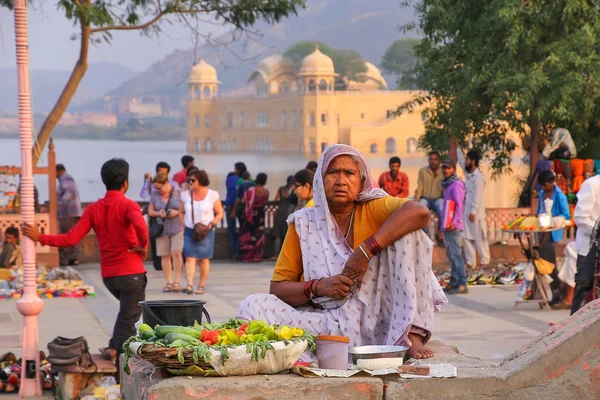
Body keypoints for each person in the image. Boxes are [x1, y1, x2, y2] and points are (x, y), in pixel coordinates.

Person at [237, 145, 447, 361]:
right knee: (252, 305)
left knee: (409, 233)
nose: (340, 180)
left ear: (361, 181)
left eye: (349, 173)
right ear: (320, 179)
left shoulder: (372, 208)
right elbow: (278, 289)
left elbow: (419, 212)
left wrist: (366, 251)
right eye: (332, 172)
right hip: (326, 322)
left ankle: (409, 334)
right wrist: (318, 287)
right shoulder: (303, 223)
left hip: (380, 318)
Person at [21, 158, 148, 379]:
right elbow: (140, 224)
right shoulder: (128, 205)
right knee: (128, 323)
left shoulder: (94, 208)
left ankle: (111, 347)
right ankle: (121, 377)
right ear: (125, 184)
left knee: (126, 315)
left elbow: (70, 239)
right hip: (131, 275)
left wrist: (39, 236)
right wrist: (143, 244)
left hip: (110, 278)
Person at [180, 169, 224, 295]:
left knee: (204, 259)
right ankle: (189, 284)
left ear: (200, 180)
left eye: (193, 180)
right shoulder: (185, 194)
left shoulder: (212, 194)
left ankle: (201, 285)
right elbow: (181, 212)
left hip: (206, 230)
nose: (190, 182)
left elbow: (220, 212)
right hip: (190, 229)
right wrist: (184, 224)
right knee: (189, 257)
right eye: (189, 179)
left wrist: (212, 224)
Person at [535, 170, 572, 307]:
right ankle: (543, 293)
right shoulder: (541, 194)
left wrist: (554, 220)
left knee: (550, 264)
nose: (544, 188)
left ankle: (556, 293)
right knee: (541, 262)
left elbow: (566, 215)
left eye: (545, 185)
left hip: (553, 233)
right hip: (542, 231)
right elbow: (538, 211)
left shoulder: (560, 196)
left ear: (551, 183)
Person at [148, 172, 184, 293]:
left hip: (177, 227)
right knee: (165, 255)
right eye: (156, 188)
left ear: (166, 183)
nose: (158, 190)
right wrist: (159, 213)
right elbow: (150, 211)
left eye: (160, 187)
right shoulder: (154, 194)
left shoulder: (178, 191)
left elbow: (185, 209)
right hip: (161, 228)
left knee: (177, 252)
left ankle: (177, 281)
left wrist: (177, 212)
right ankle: (169, 281)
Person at [571, 175, 600, 314]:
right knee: (584, 289)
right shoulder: (592, 184)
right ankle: (571, 332)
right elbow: (581, 218)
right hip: (589, 249)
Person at [440, 158, 468, 295]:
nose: (445, 170)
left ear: (453, 170)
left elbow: (459, 204)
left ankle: (462, 283)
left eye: (448, 168)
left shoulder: (456, 184)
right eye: (444, 168)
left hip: (454, 225)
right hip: (447, 225)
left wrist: (454, 221)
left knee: (456, 254)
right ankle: (454, 281)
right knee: (451, 255)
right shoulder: (447, 185)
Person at [459, 150, 490, 269]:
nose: (465, 162)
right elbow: (461, 162)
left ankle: (484, 261)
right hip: (466, 211)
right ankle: (471, 262)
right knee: (466, 237)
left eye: (467, 160)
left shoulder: (478, 178)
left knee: (480, 238)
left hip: (476, 214)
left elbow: (478, 195)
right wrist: (457, 148)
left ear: (473, 162)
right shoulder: (468, 175)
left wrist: (473, 211)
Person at [239, 173, 270, 262]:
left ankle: (248, 256)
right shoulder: (266, 191)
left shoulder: (250, 190)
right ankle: (257, 256)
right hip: (260, 216)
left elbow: (243, 200)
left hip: (250, 216)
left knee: (249, 234)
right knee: (258, 235)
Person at [56, 164, 83, 266]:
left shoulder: (65, 179)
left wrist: (59, 203)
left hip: (68, 212)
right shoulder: (66, 179)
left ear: (58, 171)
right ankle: (72, 258)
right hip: (72, 212)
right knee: (72, 235)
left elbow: (69, 192)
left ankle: (67, 259)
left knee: (66, 235)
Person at [414, 152, 444, 239]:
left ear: (439, 161)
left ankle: (439, 234)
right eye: (431, 159)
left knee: (442, 209)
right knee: (420, 209)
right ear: (428, 160)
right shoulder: (423, 171)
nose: (433, 161)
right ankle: (425, 232)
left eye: (435, 159)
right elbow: (420, 187)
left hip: (438, 199)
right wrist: (416, 201)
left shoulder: (443, 171)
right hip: (426, 198)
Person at [225, 162, 247, 258]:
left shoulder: (230, 179)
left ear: (237, 169)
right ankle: (239, 251)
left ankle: (233, 253)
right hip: (241, 206)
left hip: (229, 205)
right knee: (242, 229)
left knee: (231, 229)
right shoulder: (245, 181)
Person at [271, 176, 295, 260]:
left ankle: (275, 254)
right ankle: (285, 255)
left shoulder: (281, 189)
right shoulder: (293, 190)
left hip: (279, 212)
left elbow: (275, 199)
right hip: (288, 213)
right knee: (286, 235)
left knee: (277, 234)